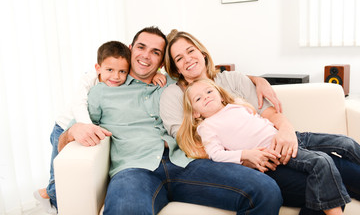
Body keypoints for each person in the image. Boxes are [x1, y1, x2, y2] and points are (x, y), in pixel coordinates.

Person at [58, 26, 284, 214]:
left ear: (162, 62)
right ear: (130, 49)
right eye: (141, 47)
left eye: (156, 52)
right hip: (134, 170)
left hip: (185, 163)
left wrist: (257, 80)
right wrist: (73, 131)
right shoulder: (102, 91)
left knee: (265, 190)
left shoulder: (173, 85)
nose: (147, 55)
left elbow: (211, 77)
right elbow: (69, 135)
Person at [160, 29, 360, 214]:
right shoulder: (175, 95)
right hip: (257, 162)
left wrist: (286, 131)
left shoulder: (233, 81)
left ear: (202, 52)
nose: (188, 59)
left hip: (278, 143)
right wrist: (245, 156)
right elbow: (191, 144)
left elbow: (268, 114)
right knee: (328, 178)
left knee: (344, 168)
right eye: (179, 58)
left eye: (190, 51)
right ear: (175, 68)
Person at [179, 78, 360, 214]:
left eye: (209, 92)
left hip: (292, 137)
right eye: (198, 98)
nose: (206, 98)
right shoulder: (207, 127)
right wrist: (245, 154)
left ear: (219, 93)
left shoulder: (236, 106)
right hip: (277, 151)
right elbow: (216, 155)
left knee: (346, 143)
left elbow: (260, 122)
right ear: (195, 113)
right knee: (322, 162)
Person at [34, 40, 166, 214]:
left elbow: (143, 72)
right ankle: (52, 201)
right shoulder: (89, 79)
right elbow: (79, 104)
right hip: (65, 124)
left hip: (82, 120)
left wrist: (157, 72)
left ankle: (48, 195)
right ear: (98, 68)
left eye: (122, 72)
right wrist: (87, 127)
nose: (116, 76)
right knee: (57, 176)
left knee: (57, 179)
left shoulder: (118, 82)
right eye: (110, 70)